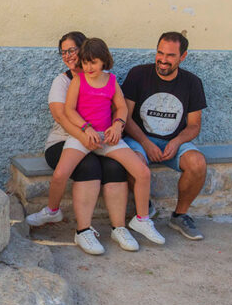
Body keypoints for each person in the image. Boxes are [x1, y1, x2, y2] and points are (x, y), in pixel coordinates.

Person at [25, 32, 142, 255]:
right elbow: (62, 117)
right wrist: (84, 136)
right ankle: (83, 231)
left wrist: (116, 126)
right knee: (89, 166)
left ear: (85, 49)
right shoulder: (63, 81)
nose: (68, 55)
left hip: (99, 139)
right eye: (63, 52)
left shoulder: (105, 78)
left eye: (72, 50)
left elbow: (117, 108)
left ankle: (119, 228)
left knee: (115, 167)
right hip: (65, 140)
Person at [62, 37, 166, 246]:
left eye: (94, 62)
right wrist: (85, 128)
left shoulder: (111, 80)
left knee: (143, 172)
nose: (89, 67)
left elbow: (121, 107)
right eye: (85, 62)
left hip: (108, 137)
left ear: (104, 61)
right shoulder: (78, 80)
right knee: (61, 173)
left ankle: (142, 219)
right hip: (84, 136)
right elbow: (68, 110)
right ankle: (60, 215)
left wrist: (118, 124)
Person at [122, 31, 208, 240]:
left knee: (198, 163)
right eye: (160, 53)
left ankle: (179, 215)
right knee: (132, 161)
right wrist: (145, 143)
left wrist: (177, 142)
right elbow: (125, 117)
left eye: (170, 55)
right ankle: (145, 205)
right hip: (139, 139)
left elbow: (194, 126)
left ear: (183, 56)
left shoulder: (192, 83)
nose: (163, 59)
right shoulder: (138, 75)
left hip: (173, 142)